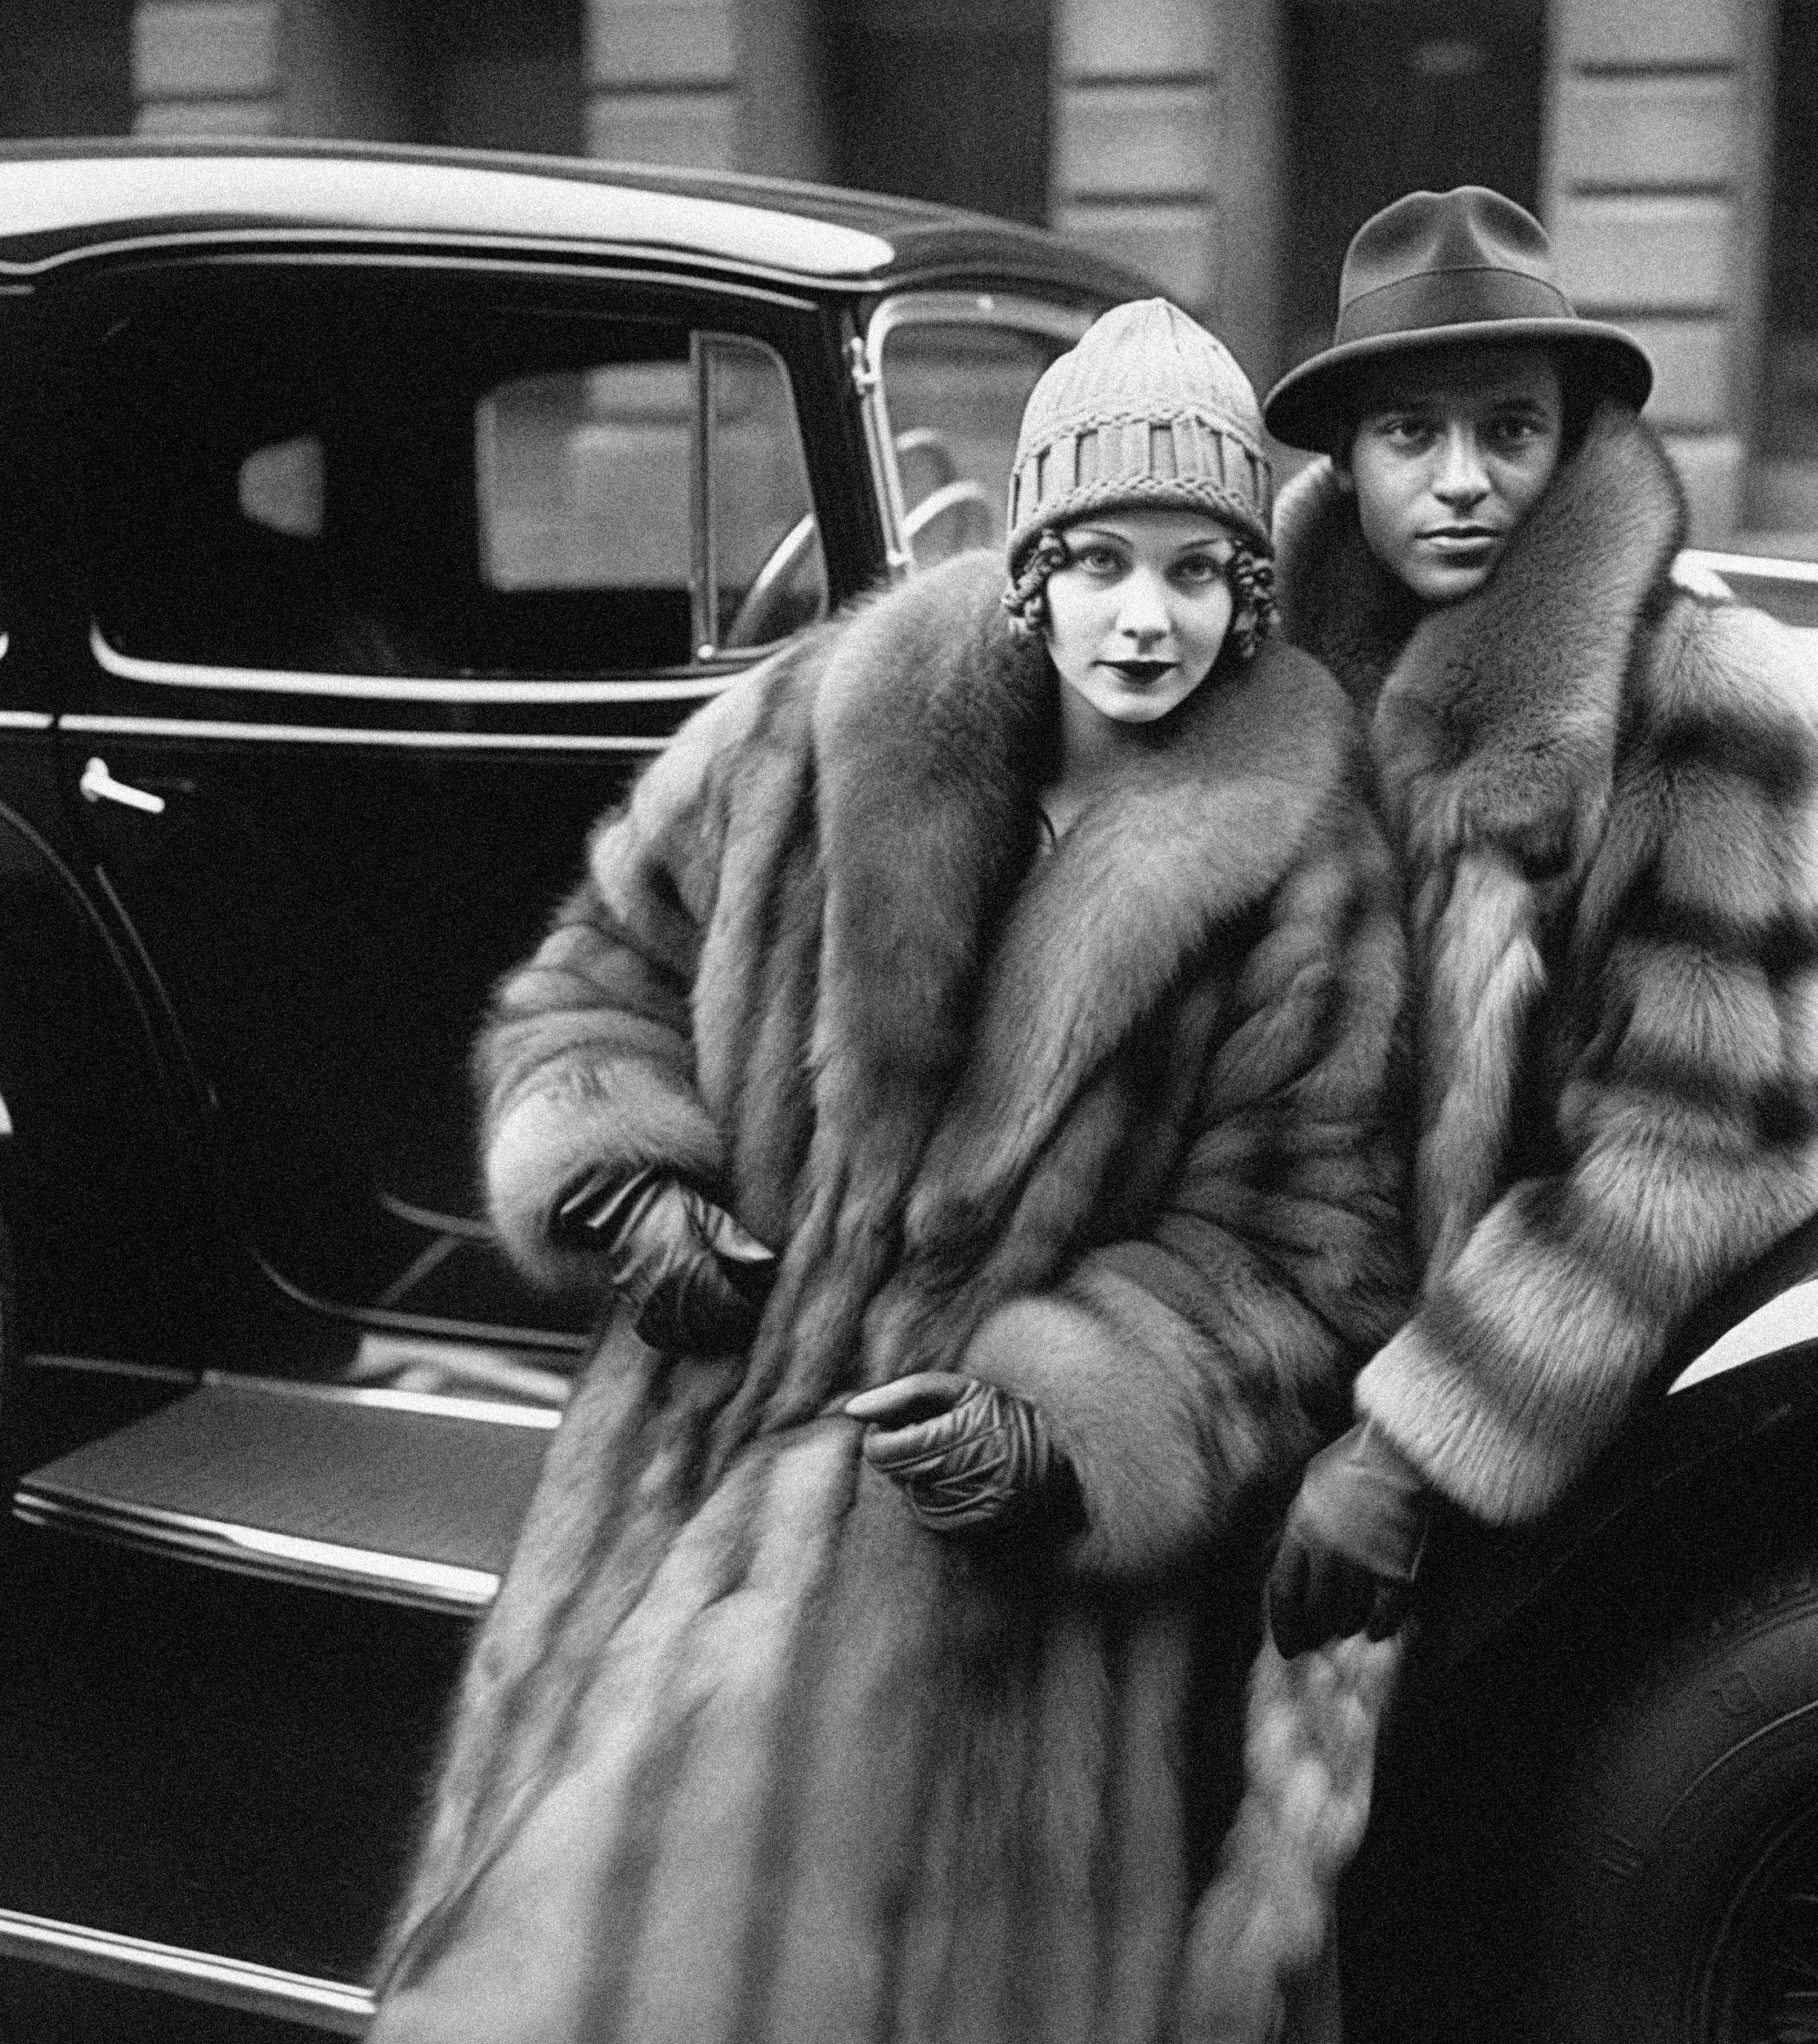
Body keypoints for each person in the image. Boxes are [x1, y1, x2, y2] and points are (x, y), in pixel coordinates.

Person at [369, 299, 1412, 2044]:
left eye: (1192, 571)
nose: (1141, 617)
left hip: (983, 1575)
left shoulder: (1308, 866)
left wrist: (1059, 1426)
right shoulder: (803, 731)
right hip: (688, 1437)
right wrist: (628, 1187)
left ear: (1248, 596)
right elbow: (594, 976)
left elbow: (1303, 1250)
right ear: (1029, 571)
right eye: (1097, 562)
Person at [1254, 187, 1818, 1655]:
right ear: (1347, 459)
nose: (1462, 480)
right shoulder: (1272, 687)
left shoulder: (1710, 696)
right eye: (1411, 434)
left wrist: (1410, 1446)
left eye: (1510, 431)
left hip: (1553, 1461)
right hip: (1262, 1394)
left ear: (1572, 438)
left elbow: (1705, 1144)